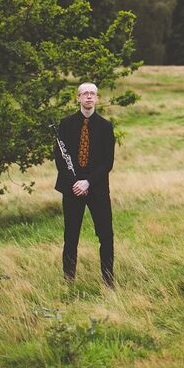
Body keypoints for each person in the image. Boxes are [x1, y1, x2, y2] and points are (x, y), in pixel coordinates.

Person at [53, 82, 116, 287]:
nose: (89, 96)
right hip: (72, 188)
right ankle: (69, 279)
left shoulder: (106, 127)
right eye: (85, 93)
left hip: (97, 188)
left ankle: (108, 280)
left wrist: (87, 182)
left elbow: (108, 162)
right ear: (78, 98)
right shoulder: (65, 124)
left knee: (106, 235)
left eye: (92, 93)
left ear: (97, 98)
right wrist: (75, 183)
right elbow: (60, 159)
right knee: (71, 235)